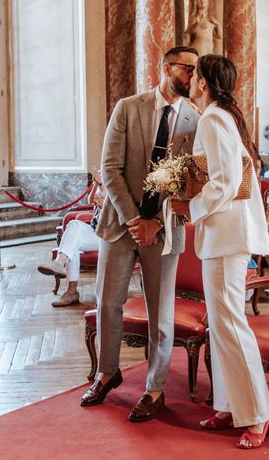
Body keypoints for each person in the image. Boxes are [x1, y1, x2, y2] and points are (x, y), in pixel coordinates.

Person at [79, 46, 200, 422]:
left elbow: (192, 183)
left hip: (164, 232)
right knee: (108, 301)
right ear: (166, 68)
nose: (193, 77)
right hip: (120, 225)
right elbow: (110, 168)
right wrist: (135, 219)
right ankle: (107, 372)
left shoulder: (196, 120)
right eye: (187, 69)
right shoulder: (129, 107)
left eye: (196, 71)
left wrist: (156, 223)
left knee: (160, 312)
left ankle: (155, 388)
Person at [170, 54, 269, 449]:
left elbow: (228, 181)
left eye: (195, 73)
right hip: (226, 235)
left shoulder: (213, 118)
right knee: (222, 324)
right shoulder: (221, 116)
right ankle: (232, 406)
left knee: (230, 324)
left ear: (206, 82)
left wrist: (189, 209)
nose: (190, 77)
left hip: (227, 237)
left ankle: (258, 414)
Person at [37, 178, 104, 307]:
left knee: (73, 241)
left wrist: (105, 205)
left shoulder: (119, 180)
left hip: (111, 232)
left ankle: (71, 290)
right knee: (73, 226)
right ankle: (60, 264)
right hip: (97, 228)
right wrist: (96, 184)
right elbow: (90, 201)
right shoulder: (104, 176)